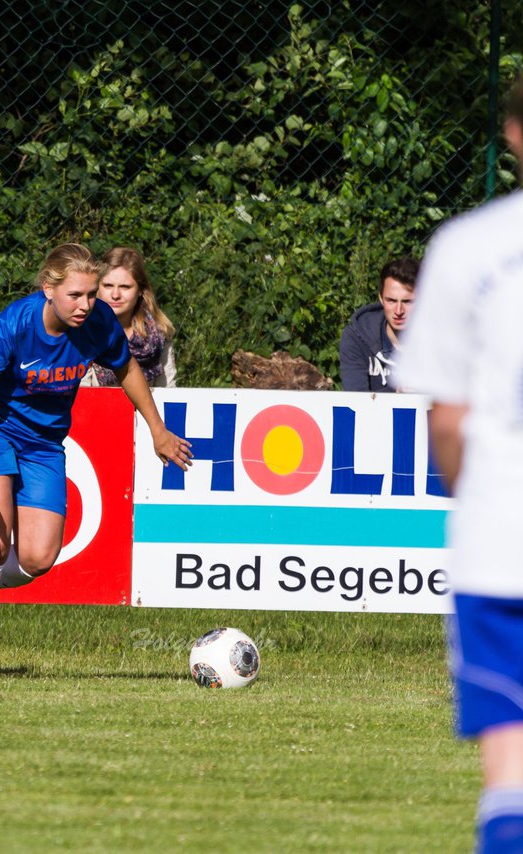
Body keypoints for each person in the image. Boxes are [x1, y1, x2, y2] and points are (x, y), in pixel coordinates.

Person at [0, 243, 193, 677]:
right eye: (75, 296)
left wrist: (156, 429)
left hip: (45, 443)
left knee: (39, 557)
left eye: (92, 294)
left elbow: (127, 369)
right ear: (48, 289)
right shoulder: (14, 326)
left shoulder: (98, 321)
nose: (86, 305)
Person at [400, 74, 523, 853]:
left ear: (512, 135)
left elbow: (446, 422)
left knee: (509, 766)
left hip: (501, 541)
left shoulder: (468, 248)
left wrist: (471, 497)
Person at [80, 247, 177, 388]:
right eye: (108, 285)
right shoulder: (82, 332)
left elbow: (168, 393)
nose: (115, 295)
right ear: (97, 288)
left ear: (140, 290)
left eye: (125, 287)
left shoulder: (159, 335)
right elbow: (80, 395)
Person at [339, 257, 420, 392]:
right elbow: (356, 403)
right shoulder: (356, 338)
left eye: (407, 301)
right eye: (391, 301)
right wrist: (397, 394)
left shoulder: (443, 340)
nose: (399, 311)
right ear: (381, 299)